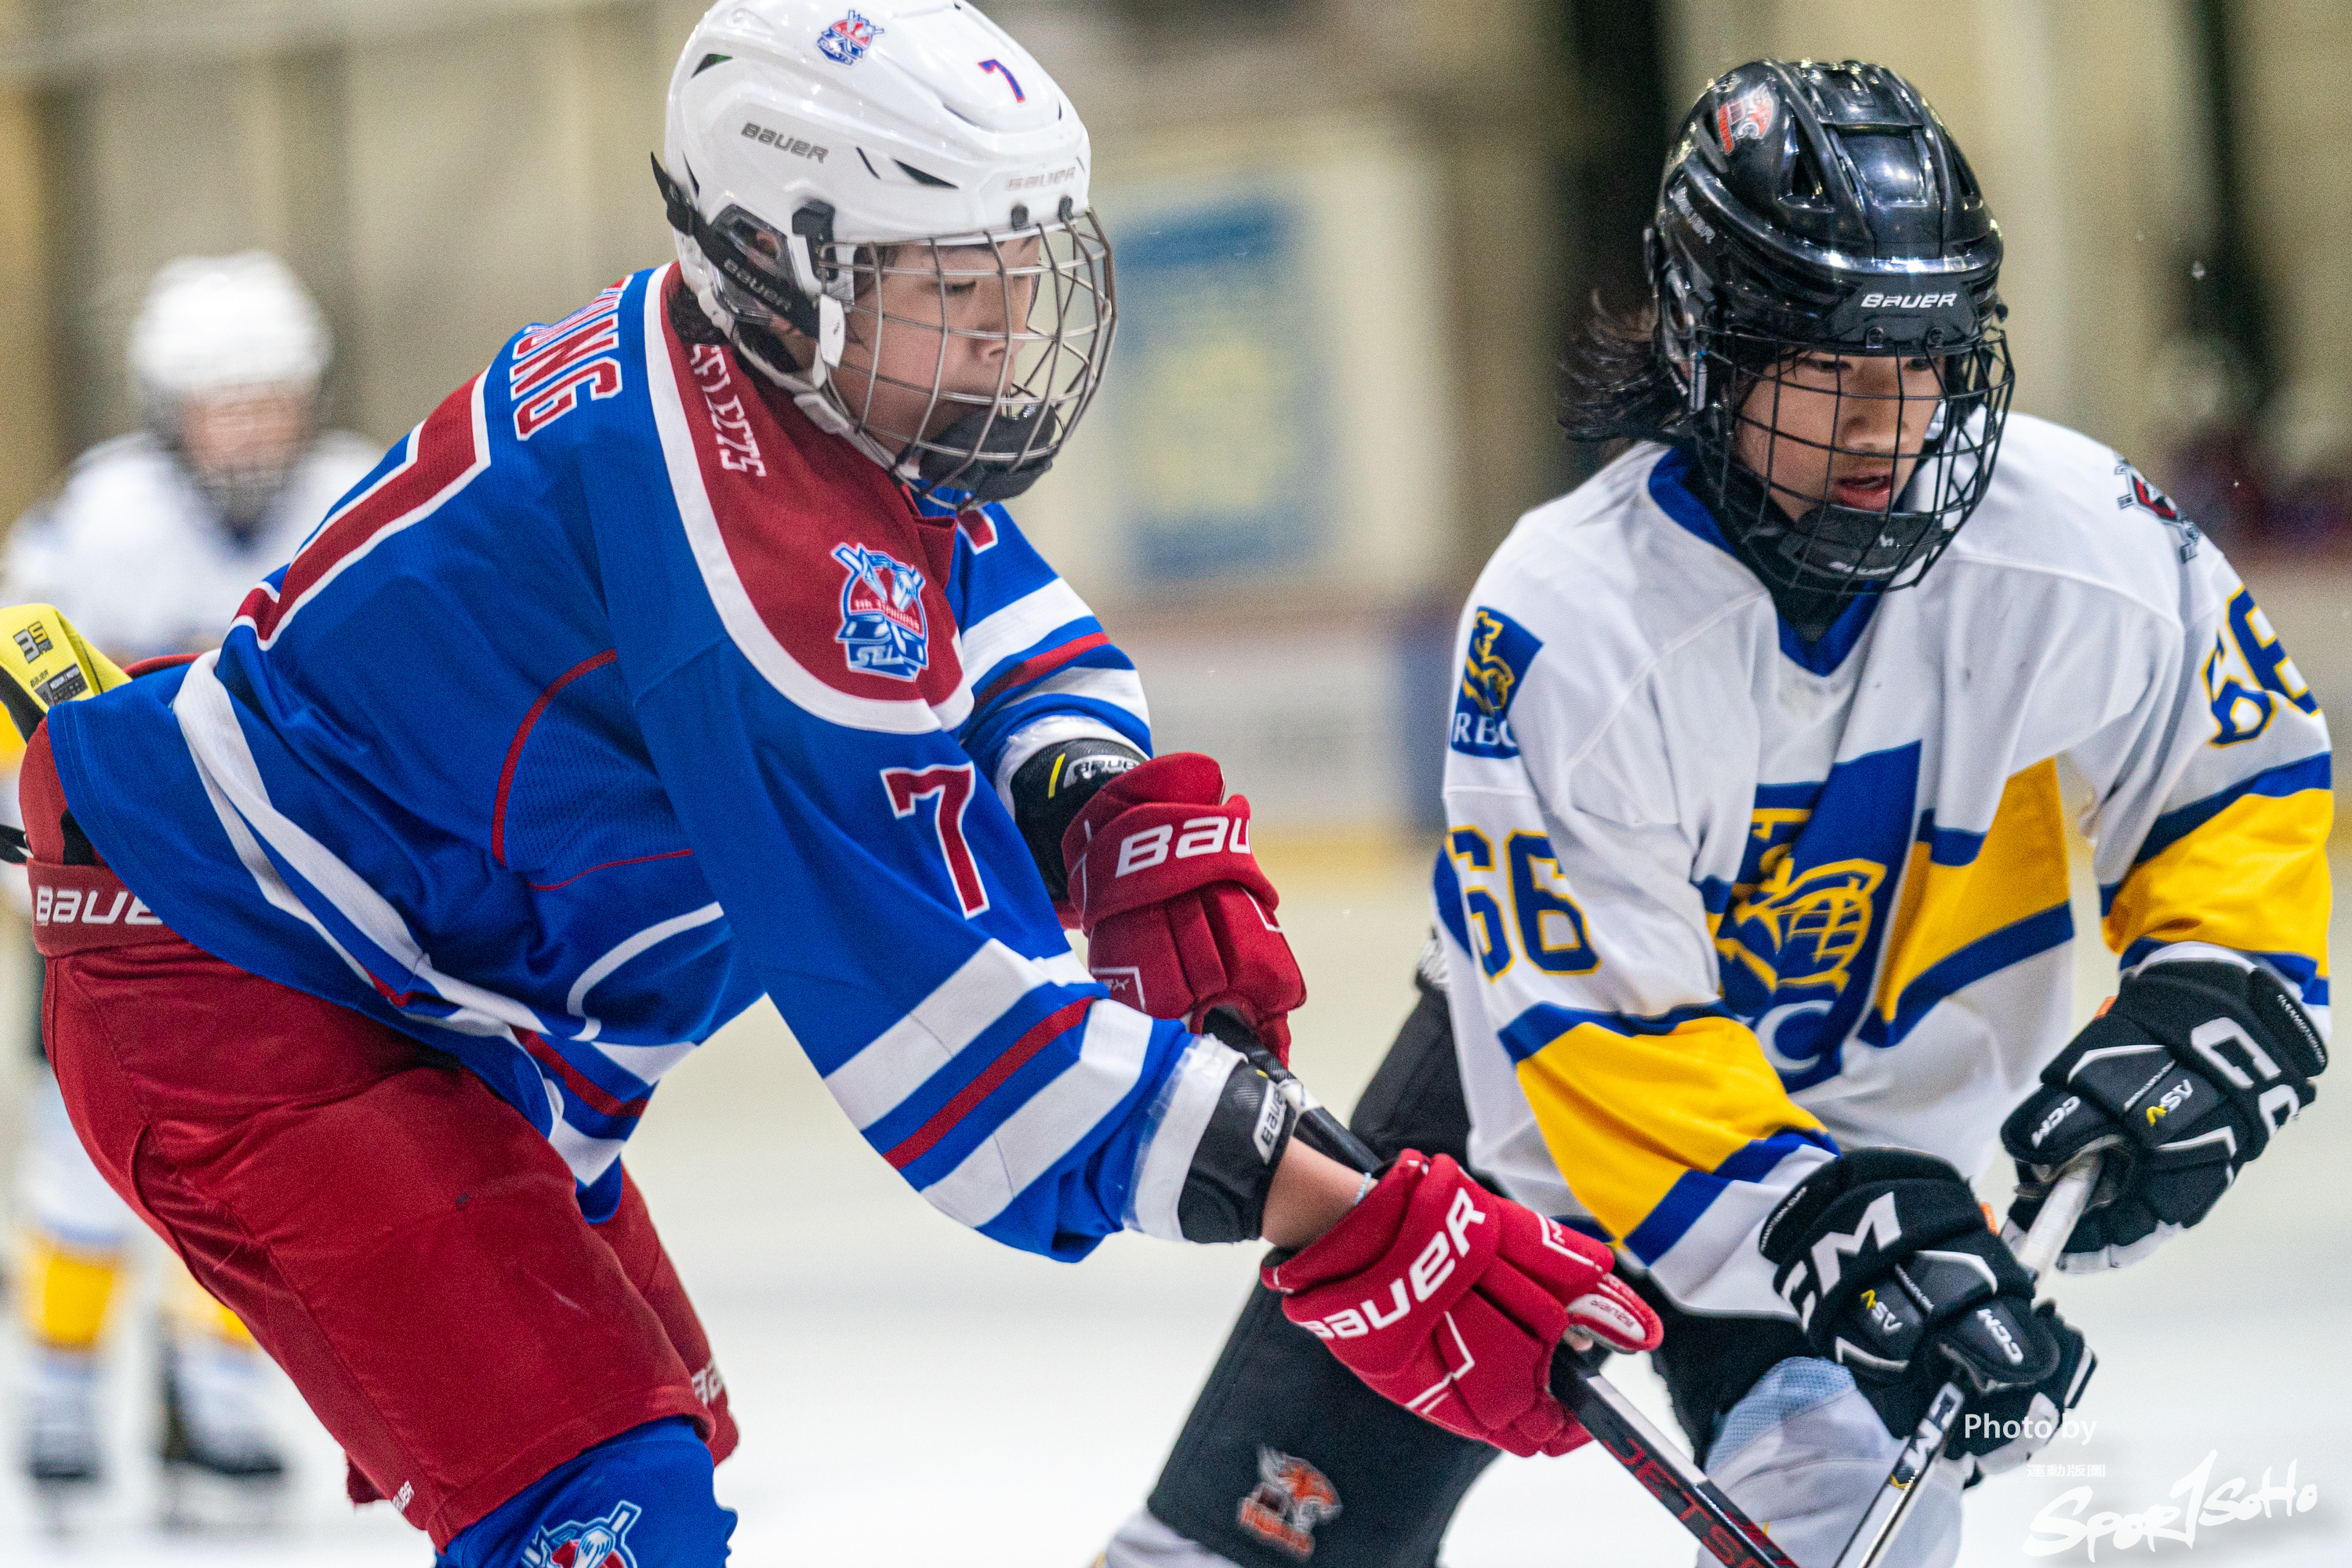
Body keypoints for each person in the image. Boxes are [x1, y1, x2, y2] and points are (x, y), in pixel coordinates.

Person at [4, 4, 1661, 1563]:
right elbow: (962, 1055)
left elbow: (979, 588)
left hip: (412, 996)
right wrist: (1344, 1213)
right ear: (783, 264)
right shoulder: (751, 566)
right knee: (605, 1498)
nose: (1009, 322)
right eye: (957, 280)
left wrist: (1093, 795)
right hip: (246, 994)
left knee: (652, 1453)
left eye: (1020, 267)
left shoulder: (776, 381)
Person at [1103, 58, 2328, 1568]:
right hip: (1531, 1142)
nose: (1888, 422)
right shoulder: (1572, 619)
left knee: (1843, 1533)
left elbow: (2237, 768)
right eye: (1830, 368)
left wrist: (2227, 975)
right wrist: (1847, 1228)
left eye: (1924, 359)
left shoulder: (2082, 543)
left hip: (1875, 1160)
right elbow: (1604, 1039)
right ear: (1708, 349)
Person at [5, 251, 379, 1520]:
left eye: (269, 399)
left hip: (284, 911)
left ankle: (213, 1401)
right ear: (168, 412)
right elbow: (15, 697)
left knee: (263, 1164)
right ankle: (58, 1393)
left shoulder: (356, 496)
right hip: (115, 905)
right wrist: (53, 874)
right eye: (223, 403)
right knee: (75, 1161)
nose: (250, 429)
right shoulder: (98, 521)